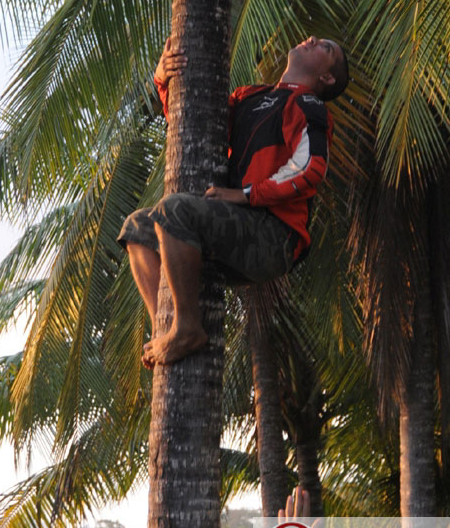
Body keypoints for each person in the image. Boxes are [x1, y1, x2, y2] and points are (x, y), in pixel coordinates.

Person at [118, 35, 349, 368]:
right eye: (316, 40)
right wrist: (164, 80)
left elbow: (309, 167)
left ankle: (187, 327)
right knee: (137, 226)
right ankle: (164, 329)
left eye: (325, 48)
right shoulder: (249, 96)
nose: (312, 40)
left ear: (326, 78)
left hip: (274, 235)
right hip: (239, 227)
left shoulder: (308, 105)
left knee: (175, 210)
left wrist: (244, 195)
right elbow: (194, 129)